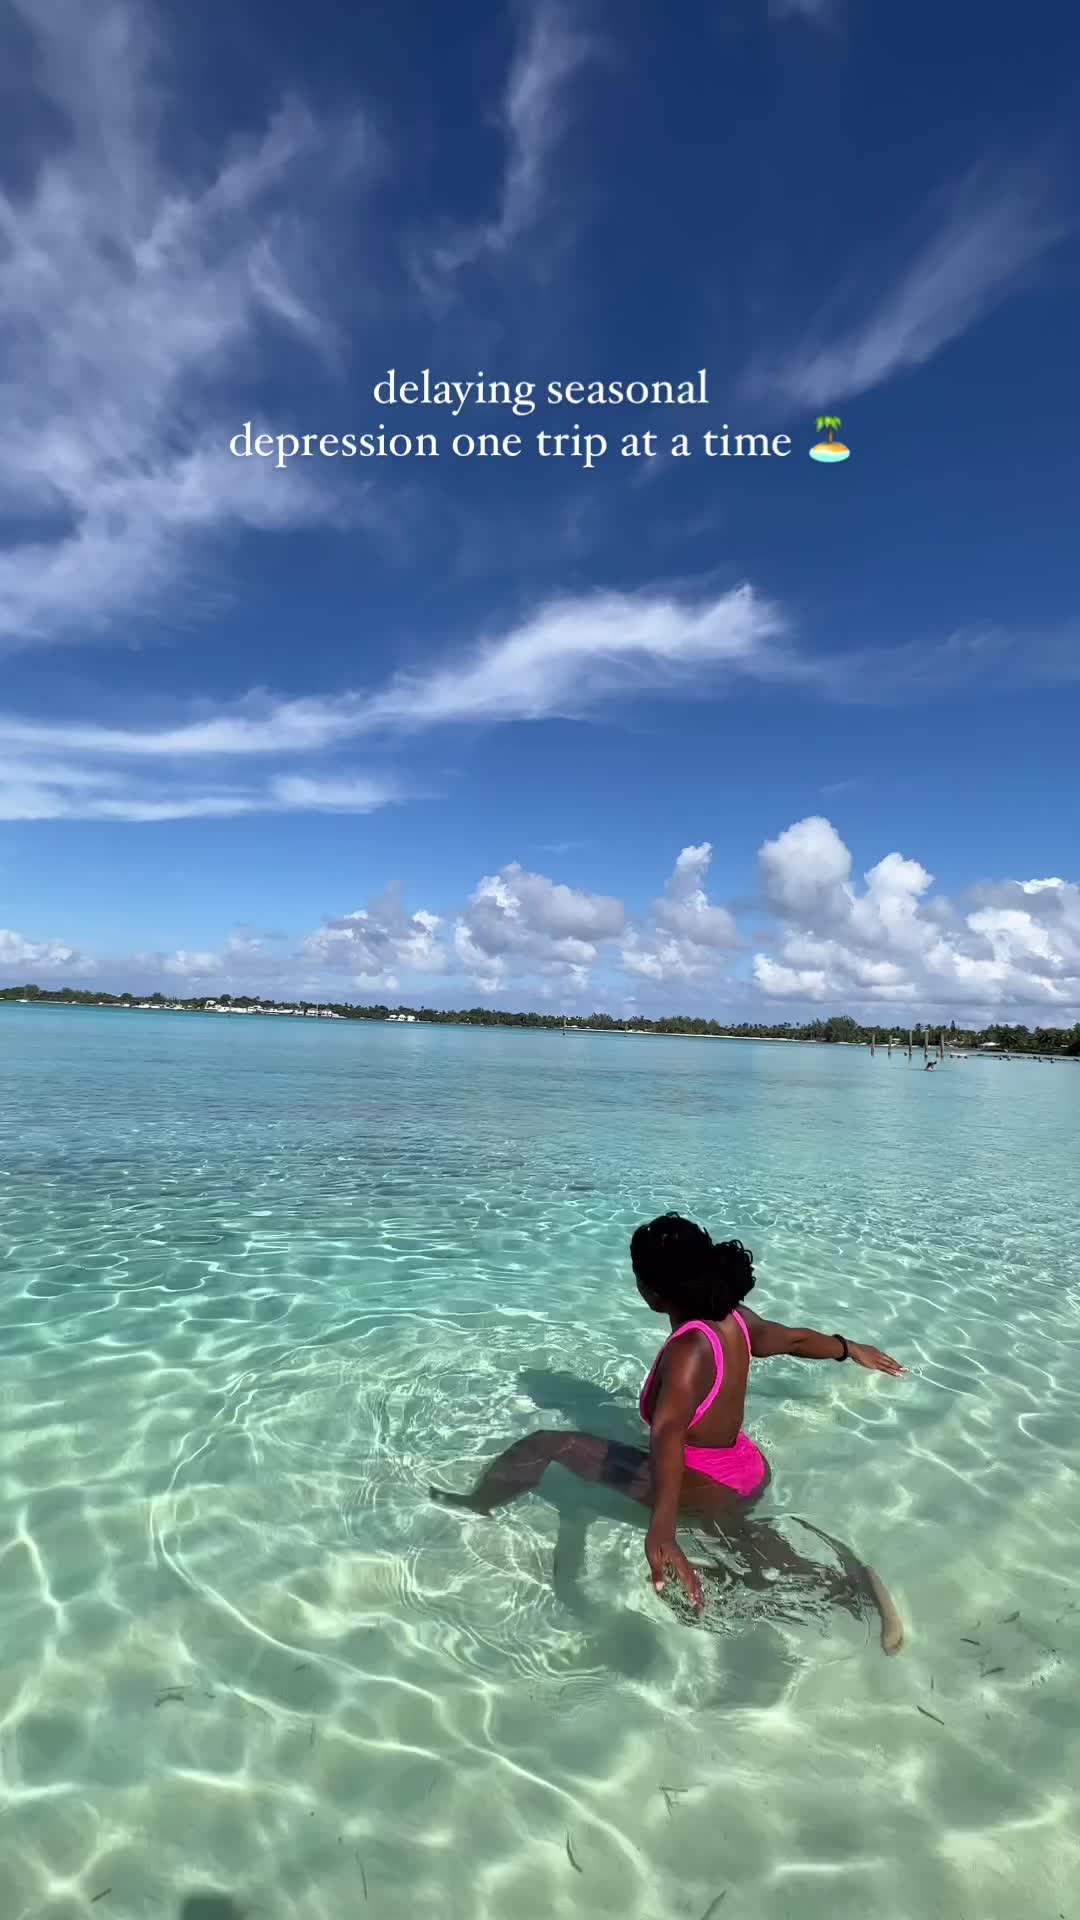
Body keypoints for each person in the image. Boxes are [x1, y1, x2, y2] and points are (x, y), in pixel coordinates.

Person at [432, 1213, 905, 1653]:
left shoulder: (688, 1351)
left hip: (706, 1482)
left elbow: (668, 1436)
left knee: (548, 1445)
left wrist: (661, 1527)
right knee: (746, 1545)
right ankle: (848, 1585)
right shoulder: (736, 1319)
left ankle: (476, 1506)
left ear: (651, 1293)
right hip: (745, 1465)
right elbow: (796, 1340)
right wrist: (848, 1348)